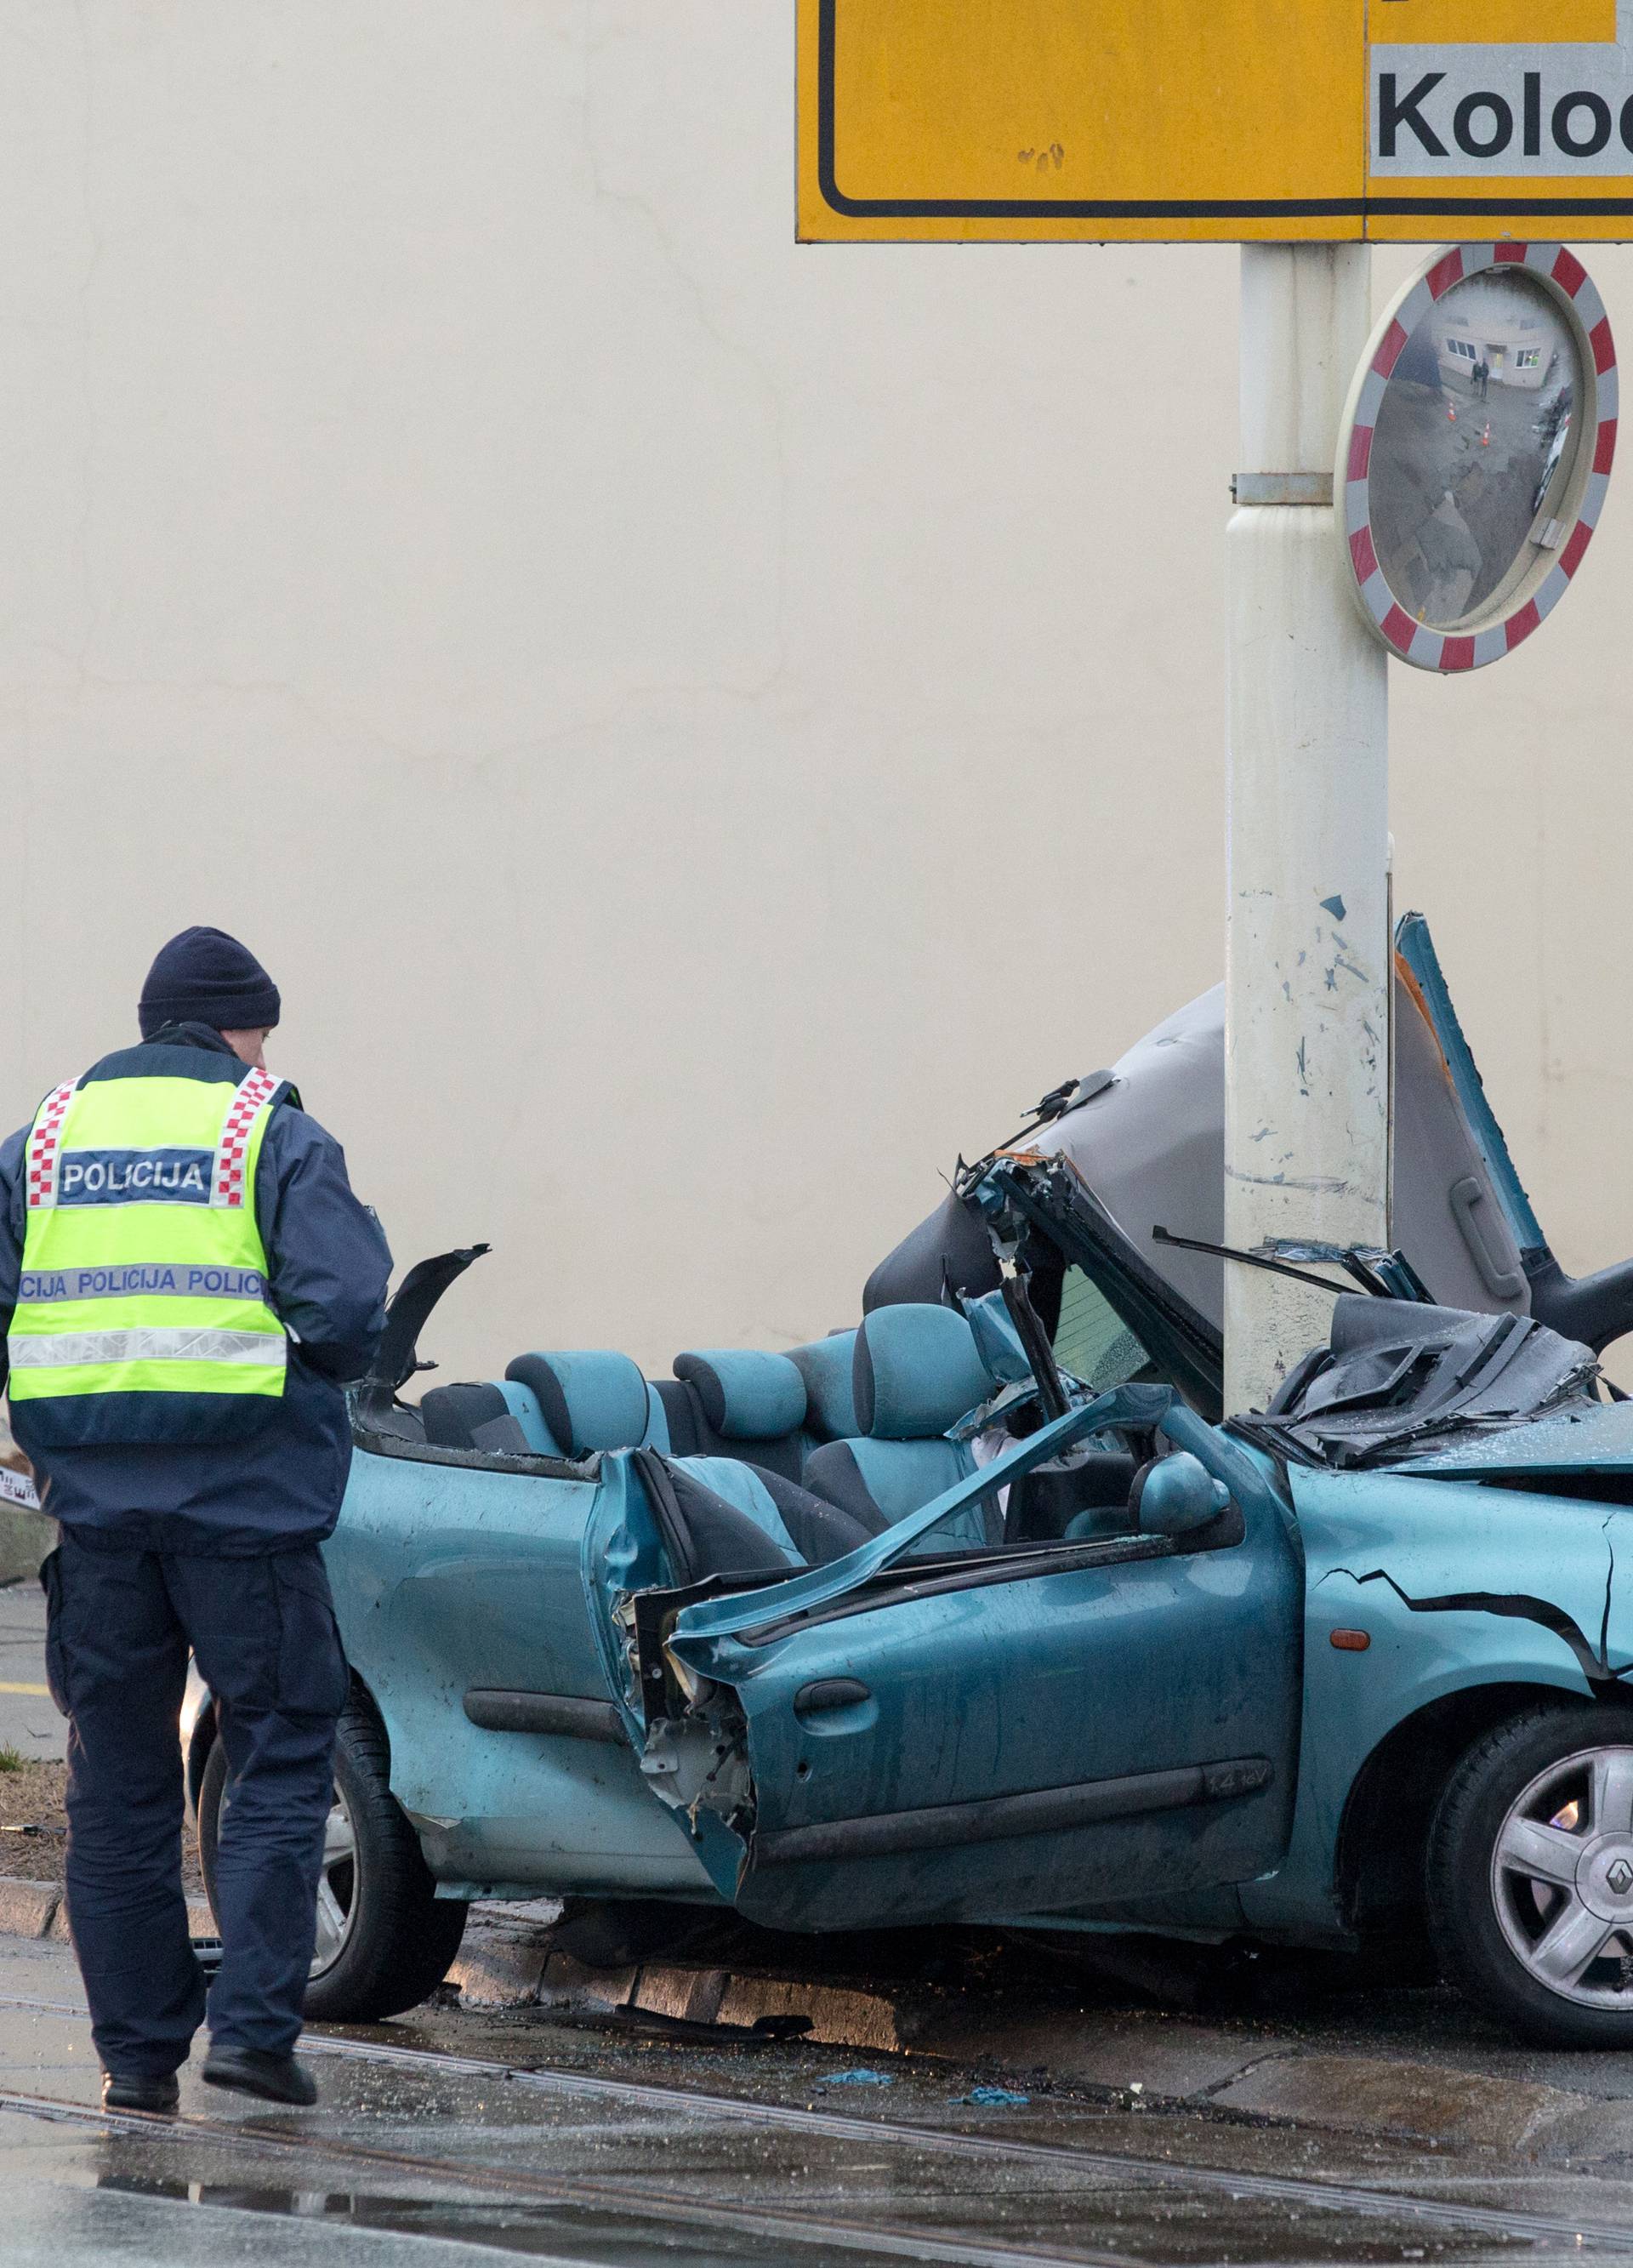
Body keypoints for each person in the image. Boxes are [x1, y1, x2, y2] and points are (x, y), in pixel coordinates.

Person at [0, 928, 391, 2113]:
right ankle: (255, 2036)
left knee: (115, 1782)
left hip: (97, 1525)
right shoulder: (263, 1126)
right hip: (246, 1513)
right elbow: (346, 1304)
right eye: (262, 1030)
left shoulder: (50, 1135)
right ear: (238, 1025)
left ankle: (134, 2056)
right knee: (277, 1751)